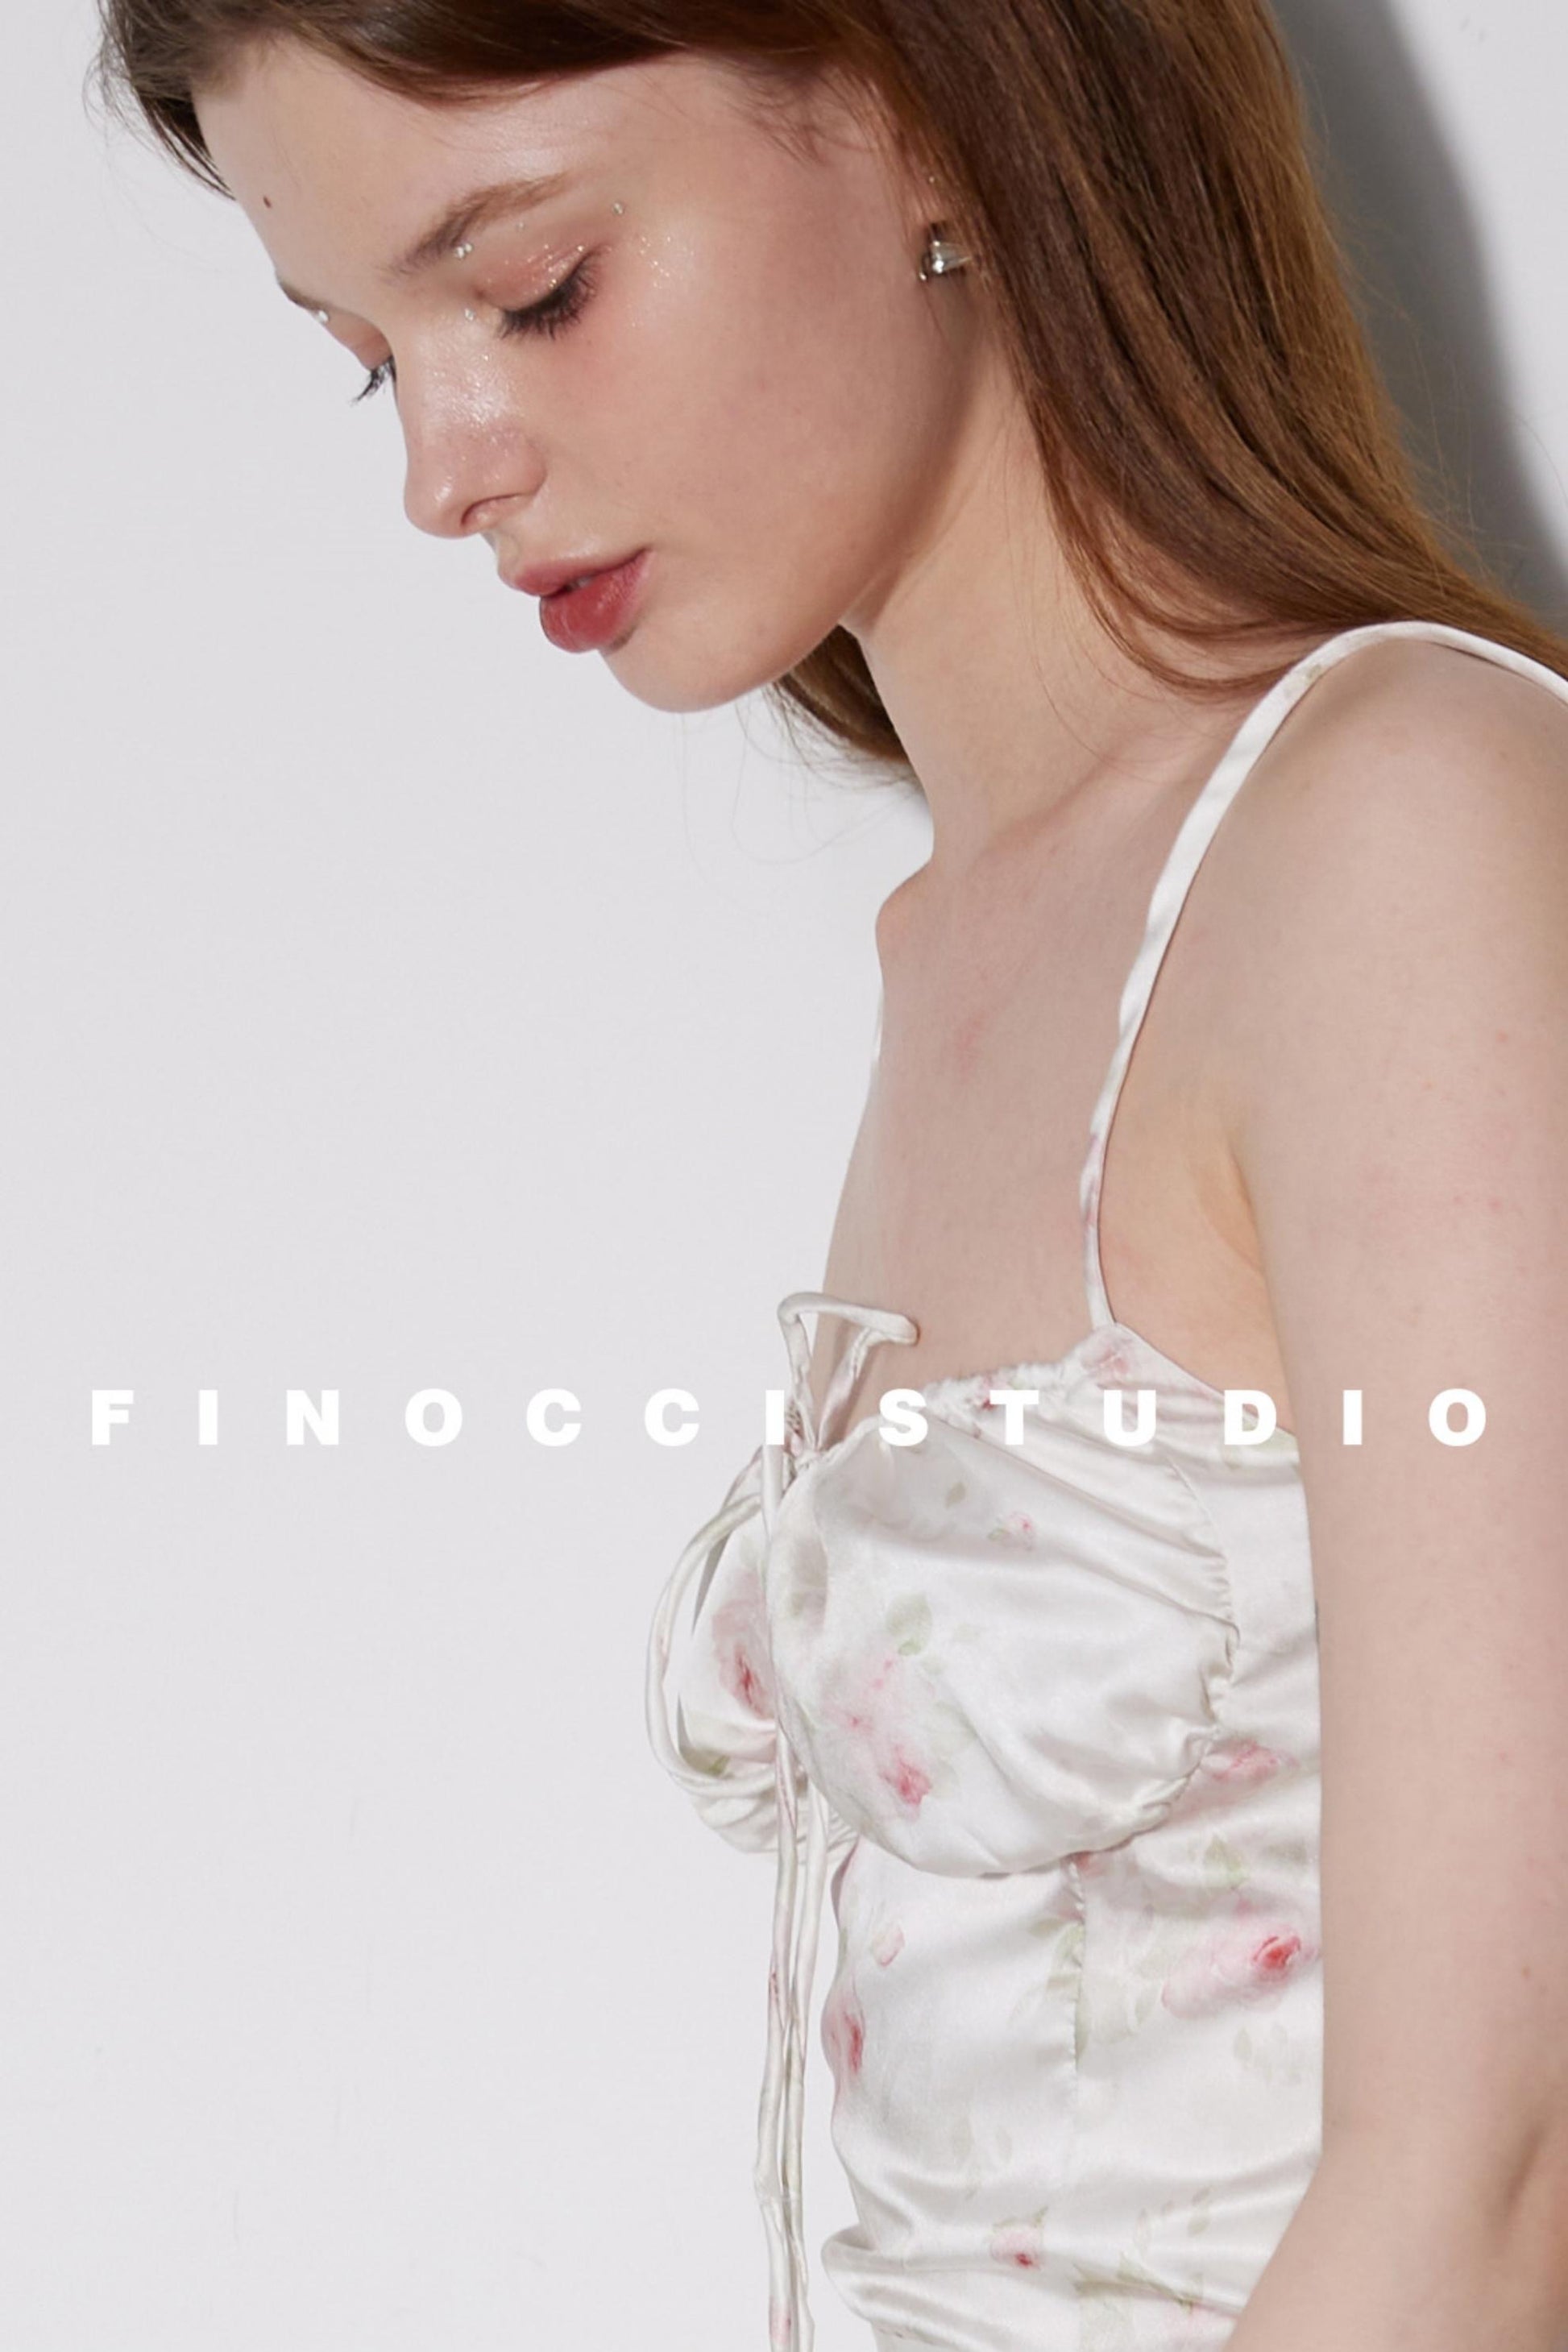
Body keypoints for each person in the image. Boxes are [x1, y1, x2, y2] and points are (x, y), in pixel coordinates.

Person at [94, 4, 1568, 2347]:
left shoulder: (1406, 833)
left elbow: (1495, 2182)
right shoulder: (959, 952)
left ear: (923, 107)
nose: (447, 469)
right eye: (372, 362)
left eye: (534, 289)